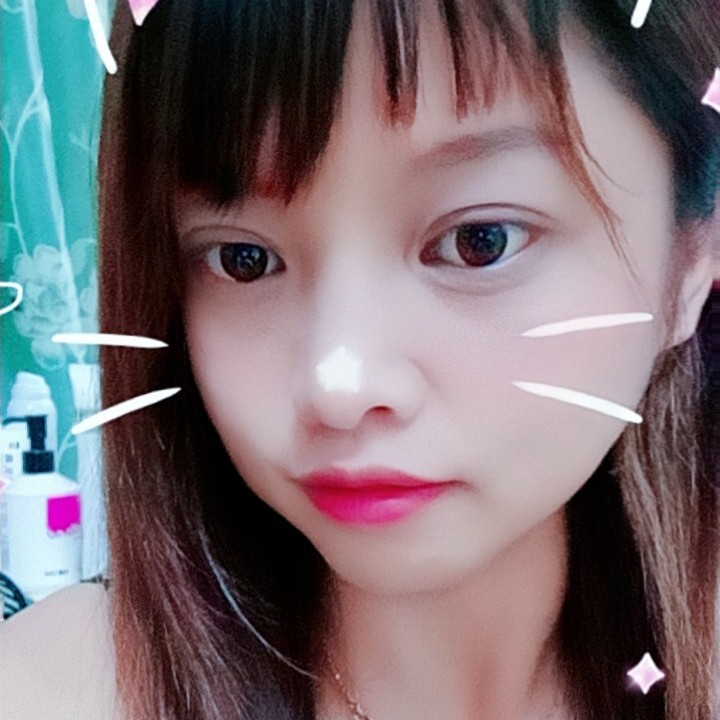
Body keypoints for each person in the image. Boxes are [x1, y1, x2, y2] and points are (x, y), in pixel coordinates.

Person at [1, 1, 719, 718]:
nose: (337, 385)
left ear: (693, 255)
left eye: (480, 242)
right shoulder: (55, 692)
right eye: (244, 259)